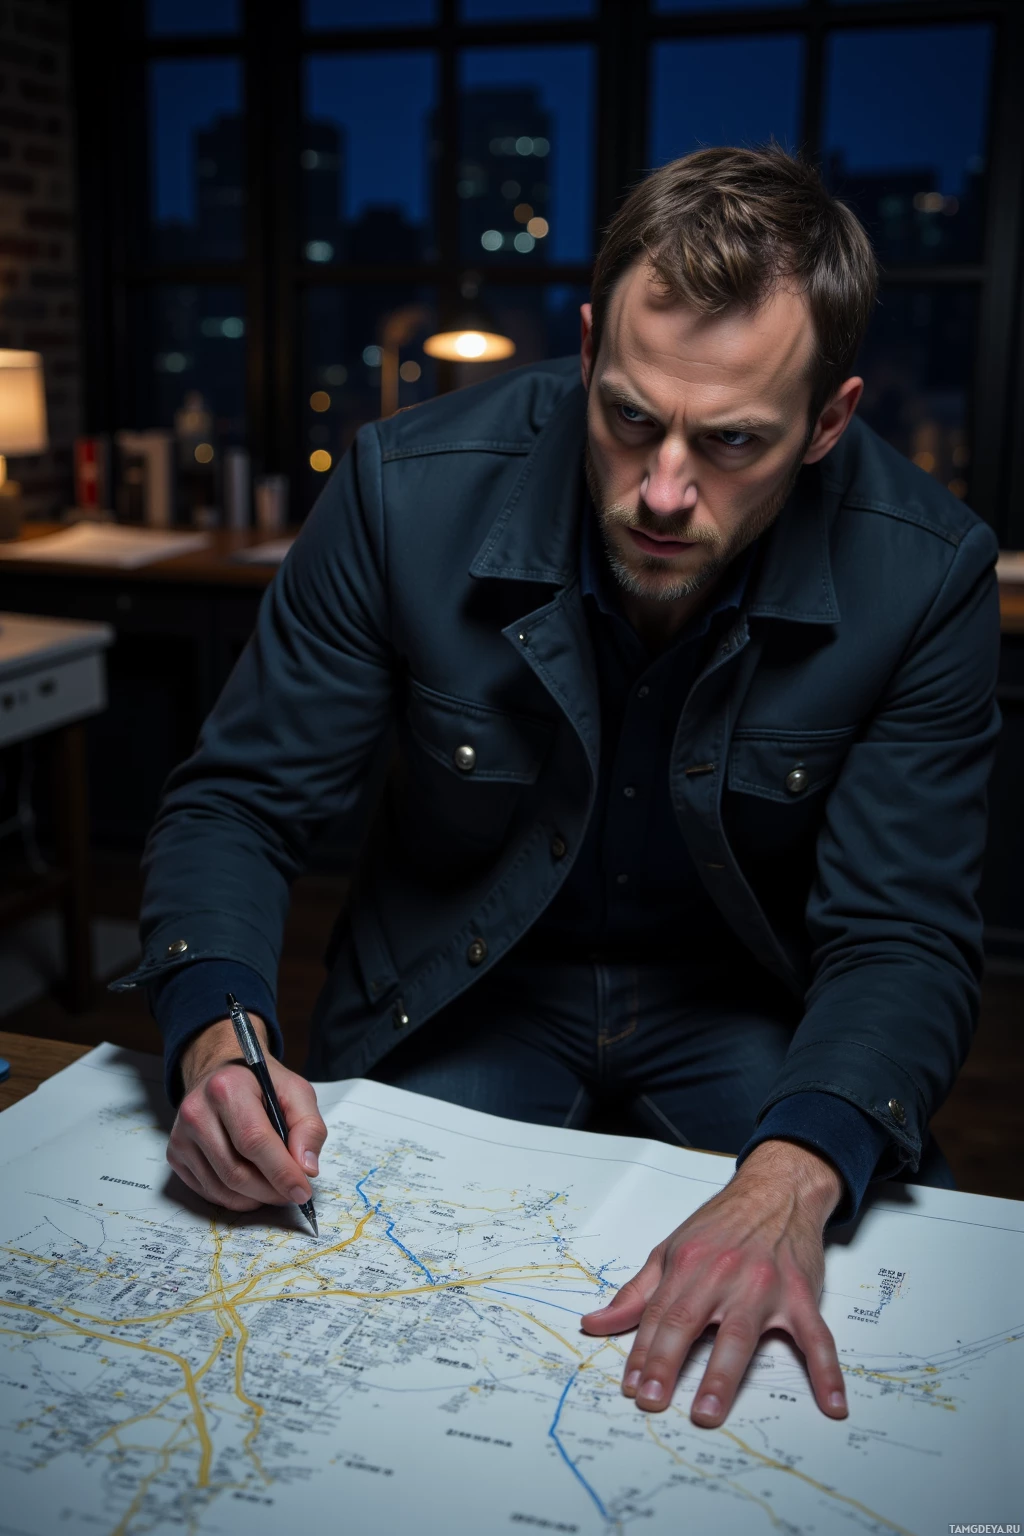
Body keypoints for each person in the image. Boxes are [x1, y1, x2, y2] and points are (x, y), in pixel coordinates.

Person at [115, 145, 1001, 1431]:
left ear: (829, 420)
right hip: (456, 996)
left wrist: (794, 1178)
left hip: (739, 1011)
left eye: (734, 440)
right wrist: (213, 1038)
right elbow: (236, 804)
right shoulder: (395, 490)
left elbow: (905, 934)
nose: (662, 491)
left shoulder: (928, 573)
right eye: (631, 415)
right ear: (587, 348)